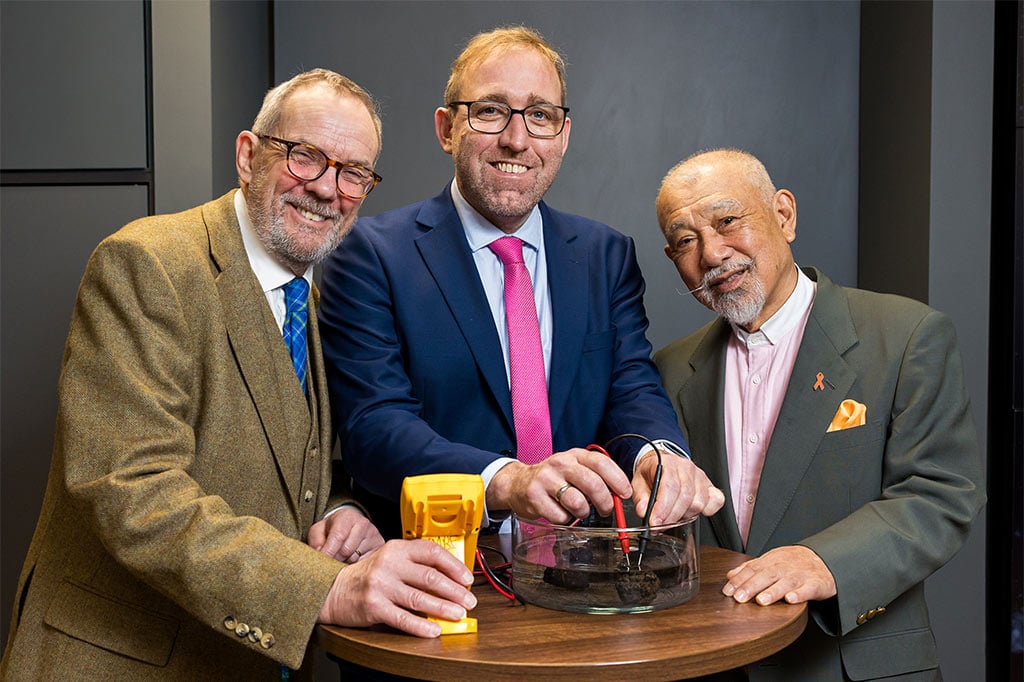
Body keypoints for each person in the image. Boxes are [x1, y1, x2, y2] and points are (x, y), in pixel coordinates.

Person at [0, 69, 476, 681]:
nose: (327, 189)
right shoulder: (149, 264)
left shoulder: (310, 297)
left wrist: (341, 509)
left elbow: (293, 466)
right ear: (249, 156)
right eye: (305, 156)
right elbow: (132, 487)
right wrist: (327, 588)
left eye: (353, 173)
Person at [318, 26, 724, 540]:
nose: (517, 138)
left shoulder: (605, 255)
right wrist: (507, 481)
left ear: (563, 135)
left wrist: (657, 455)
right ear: (446, 129)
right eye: (490, 111)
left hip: (583, 565)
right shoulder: (370, 253)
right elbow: (373, 428)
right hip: (436, 564)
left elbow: (631, 388)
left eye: (540, 116)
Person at [653, 148, 986, 681]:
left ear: (784, 215)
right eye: (687, 241)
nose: (712, 254)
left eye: (727, 221)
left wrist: (824, 561)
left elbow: (942, 493)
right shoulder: (669, 369)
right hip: (716, 666)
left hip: (852, 666)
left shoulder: (906, 336)